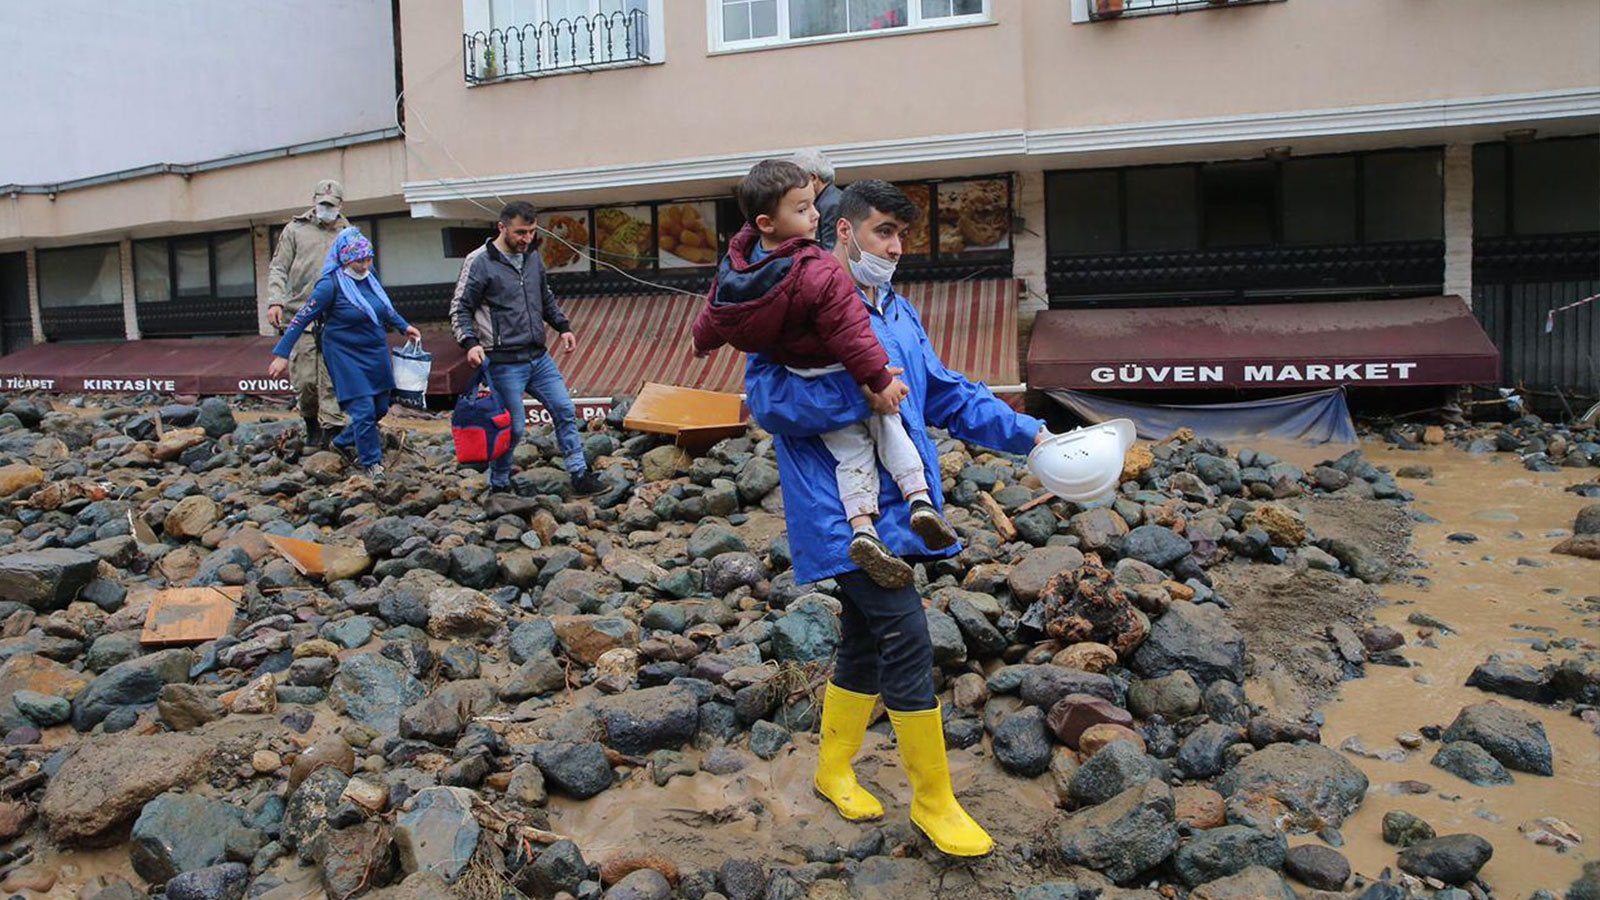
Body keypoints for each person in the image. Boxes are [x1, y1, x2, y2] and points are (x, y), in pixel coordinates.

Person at [744, 180, 1049, 858]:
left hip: (901, 509)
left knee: (861, 641)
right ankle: (934, 802)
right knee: (909, 634)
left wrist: (1035, 437)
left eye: (903, 236)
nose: (897, 247)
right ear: (843, 233)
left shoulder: (899, 311)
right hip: (839, 513)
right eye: (884, 232)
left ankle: (830, 771)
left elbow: (945, 394)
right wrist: (858, 391)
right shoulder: (794, 307)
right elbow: (765, 400)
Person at [692, 160, 957, 590]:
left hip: (803, 375)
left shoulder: (738, 272)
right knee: (891, 428)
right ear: (768, 222)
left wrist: (700, 342)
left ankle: (864, 529)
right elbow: (851, 334)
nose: (816, 216)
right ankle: (920, 500)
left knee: (850, 455)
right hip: (840, 374)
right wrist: (877, 383)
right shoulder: (819, 270)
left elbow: (714, 313)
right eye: (802, 209)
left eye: (813, 205)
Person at [450, 201, 605, 496]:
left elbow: (544, 297)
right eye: (521, 232)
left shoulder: (533, 257)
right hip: (502, 361)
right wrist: (469, 343)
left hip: (539, 357)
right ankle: (499, 484)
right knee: (515, 427)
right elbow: (460, 308)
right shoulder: (479, 261)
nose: (527, 239)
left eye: (532, 232)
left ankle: (579, 474)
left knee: (564, 409)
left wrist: (563, 327)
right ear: (502, 228)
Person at [268, 228, 421, 480]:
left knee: (380, 407)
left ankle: (342, 440)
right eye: (358, 261)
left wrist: (404, 326)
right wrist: (282, 354)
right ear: (344, 258)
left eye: (368, 259)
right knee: (362, 410)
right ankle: (372, 464)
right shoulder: (330, 285)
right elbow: (300, 319)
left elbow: (384, 307)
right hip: (344, 354)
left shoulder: (370, 277)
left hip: (374, 349)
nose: (364, 266)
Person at [267, 179, 351, 448]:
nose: (326, 209)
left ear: (340, 205)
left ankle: (332, 433)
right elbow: (279, 267)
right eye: (322, 204)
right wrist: (275, 301)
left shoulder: (348, 233)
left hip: (336, 318)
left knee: (332, 380)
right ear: (314, 202)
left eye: (331, 205)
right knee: (305, 381)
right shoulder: (295, 229)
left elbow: (361, 272)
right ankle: (311, 423)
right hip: (300, 315)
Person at [792, 148, 843, 250]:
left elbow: (831, 250)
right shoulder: (828, 199)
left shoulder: (831, 204)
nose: (793, 185)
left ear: (813, 178)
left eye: (796, 179)